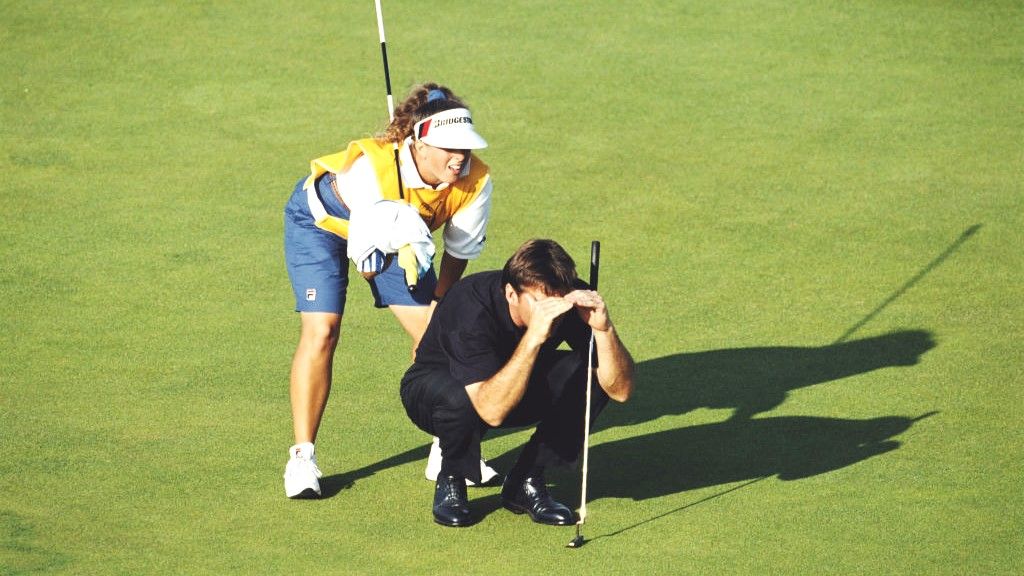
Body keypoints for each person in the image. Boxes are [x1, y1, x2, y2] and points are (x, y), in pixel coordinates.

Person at [282, 83, 498, 499]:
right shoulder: (371, 170)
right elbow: (368, 266)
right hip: (322, 225)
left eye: (465, 148)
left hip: (400, 240)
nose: (460, 159)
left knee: (443, 336)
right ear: (418, 143)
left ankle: (448, 451)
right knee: (323, 330)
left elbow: (459, 252)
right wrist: (395, 224)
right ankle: (302, 458)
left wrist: (440, 308)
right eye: (449, 148)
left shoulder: (476, 180)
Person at [400, 239, 635, 527]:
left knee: (591, 374)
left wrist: (604, 330)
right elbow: (490, 411)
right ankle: (452, 476)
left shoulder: (568, 300)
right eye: (540, 302)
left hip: (508, 386)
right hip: (435, 391)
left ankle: (526, 479)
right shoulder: (470, 305)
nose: (553, 311)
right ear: (512, 294)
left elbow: (620, 390)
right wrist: (535, 335)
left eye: (558, 301)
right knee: (460, 399)